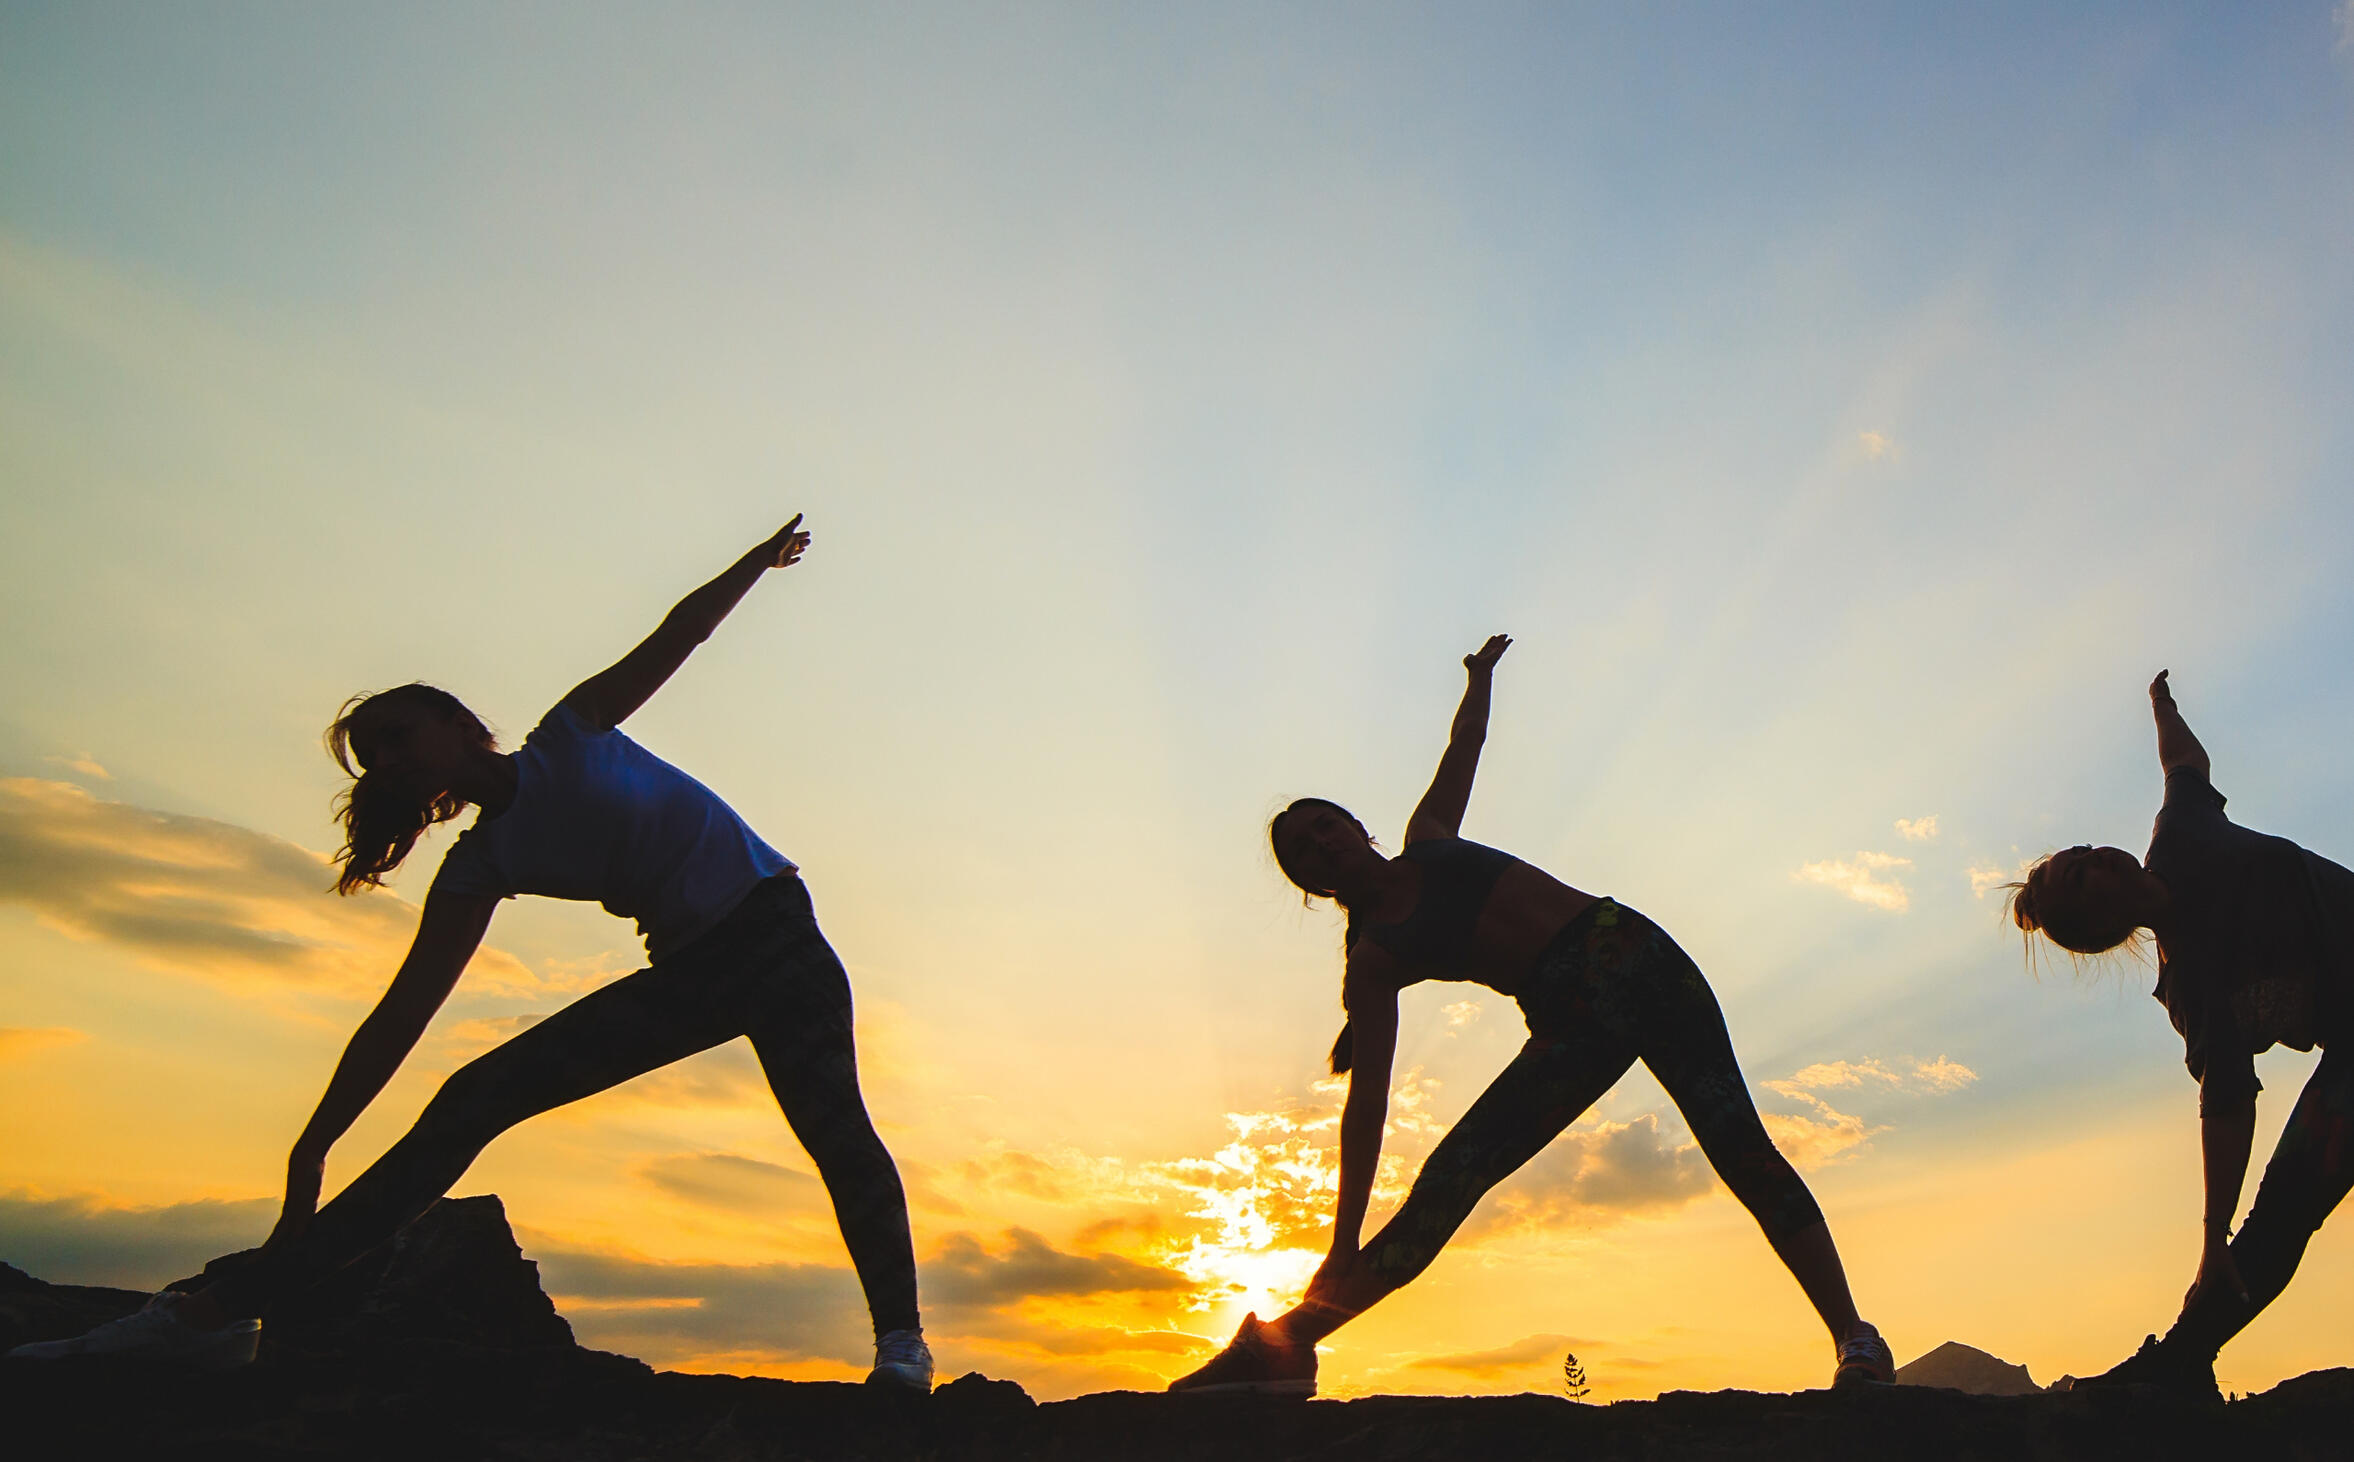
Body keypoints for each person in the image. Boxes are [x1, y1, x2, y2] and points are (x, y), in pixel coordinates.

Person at [10, 516, 933, 1390]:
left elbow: (678, 634)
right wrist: (316, 1137)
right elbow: (403, 1014)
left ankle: (902, 1347)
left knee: (834, 1130)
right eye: (376, 759)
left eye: (399, 736)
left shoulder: (571, 734)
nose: (392, 762)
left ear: (458, 722)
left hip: (777, 938)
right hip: (691, 975)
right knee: (473, 1097)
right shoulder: (480, 864)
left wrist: (756, 562)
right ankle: (209, 1321)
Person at [1167, 635, 1892, 1397]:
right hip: (1571, 1024)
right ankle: (1288, 1346)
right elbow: (1369, 1102)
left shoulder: (1429, 842)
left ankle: (1857, 1339)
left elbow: (1464, 746)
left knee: (1738, 1147)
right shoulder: (1375, 960)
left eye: (1325, 824)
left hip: (1638, 960)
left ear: (1357, 827)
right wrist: (1341, 1241)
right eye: (1300, 850)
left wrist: (1479, 679)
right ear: (1306, 884)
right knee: (1450, 1176)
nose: (1320, 842)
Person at [2007, 671, 2351, 1401]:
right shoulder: (2190, 981)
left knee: (2281, 1208)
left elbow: (2182, 767)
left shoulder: (2182, 834)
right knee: (2284, 1207)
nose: (2100, 858)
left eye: (2088, 850)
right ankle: (2181, 1362)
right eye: (2082, 876)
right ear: (2101, 930)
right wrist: (2212, 1235)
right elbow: (2227, 1100)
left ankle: (2177, 1364)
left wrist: (2162, 708)